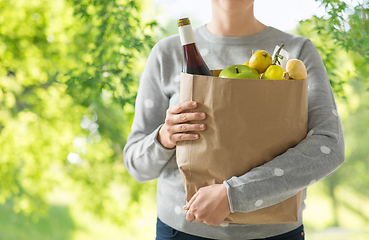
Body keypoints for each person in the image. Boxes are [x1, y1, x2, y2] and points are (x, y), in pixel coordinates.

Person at [123, 0, 345, 239]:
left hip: (275, 233)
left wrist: (234, 195)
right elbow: (136, 166)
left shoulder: (296, 53)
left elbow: (328, 147)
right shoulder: (166, 53)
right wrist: (165, 136)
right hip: (181, 230)